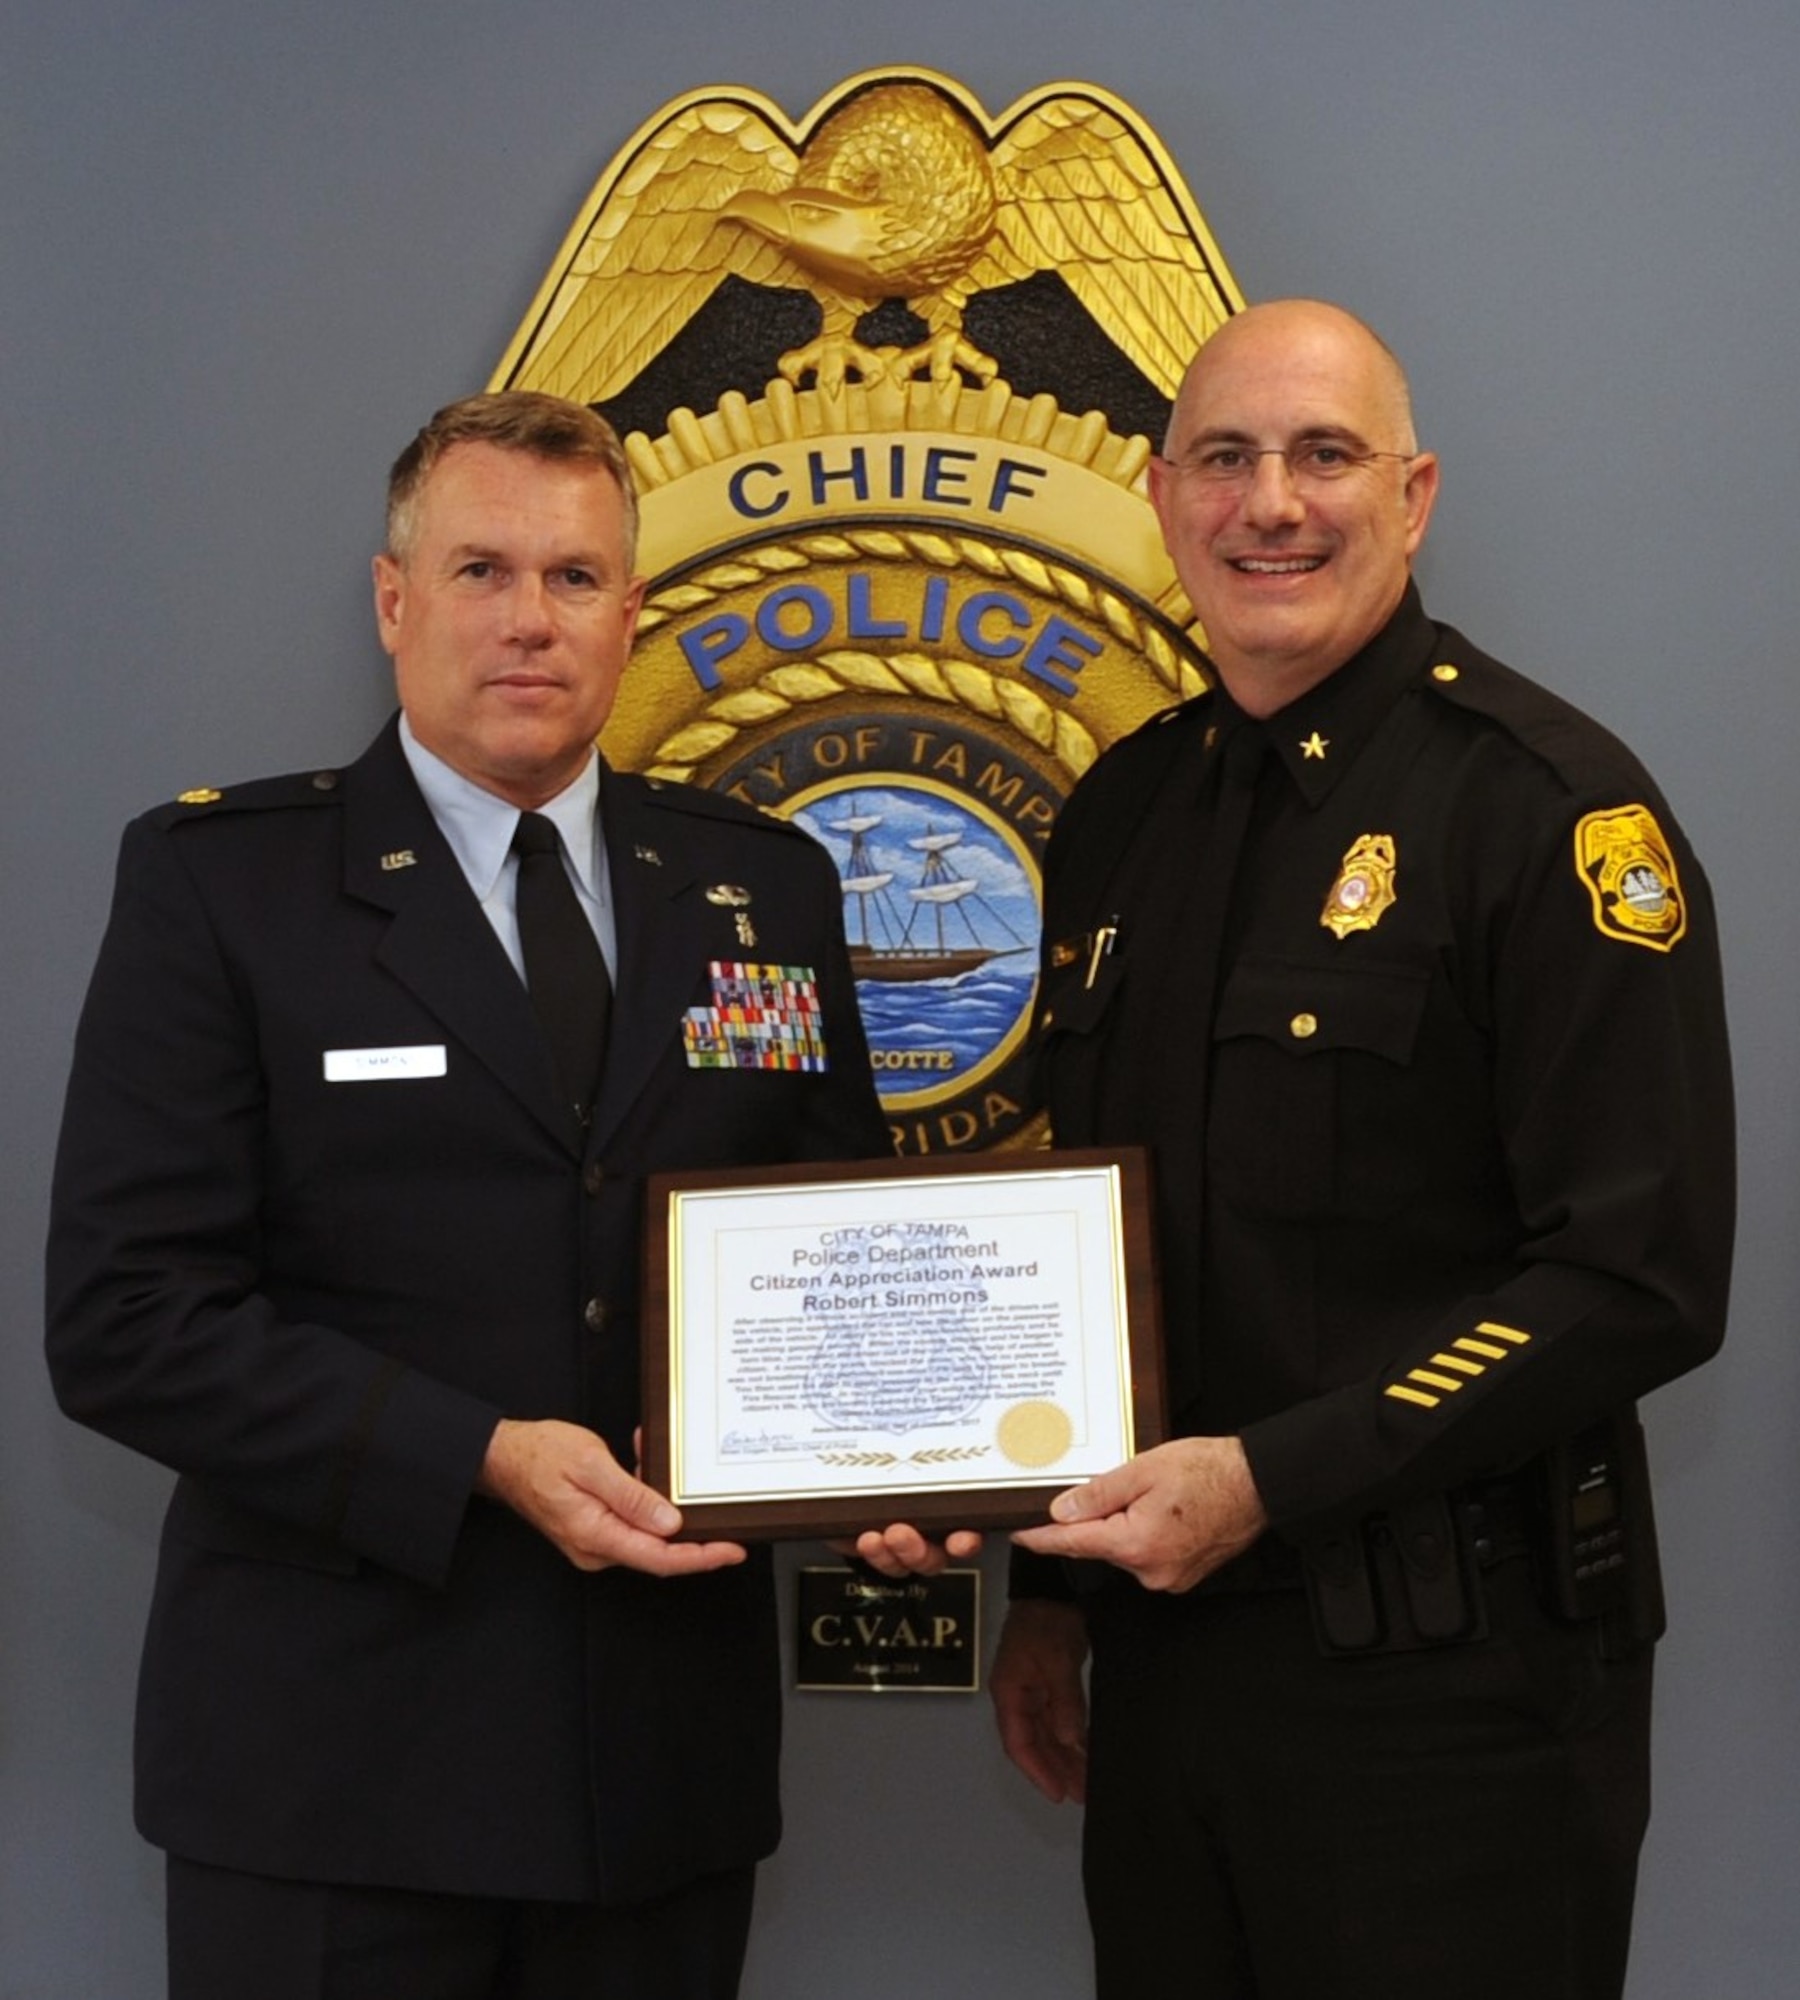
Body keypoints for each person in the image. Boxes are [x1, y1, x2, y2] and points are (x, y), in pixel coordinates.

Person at [45, 390, 897, 2000]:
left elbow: (832, 1254)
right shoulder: (224, 887)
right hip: (332, 1778)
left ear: (632, 614)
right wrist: (483, 1459)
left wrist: (895, 1468)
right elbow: (124, 1322)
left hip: (651, 1782)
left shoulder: (762, 884)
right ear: (394, 601)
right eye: (482, 570)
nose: (530, 622)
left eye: (576, 579)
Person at [988, 300, 1734, 1999]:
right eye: (1230, 460)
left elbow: (1642, 1279)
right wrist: (1051, 1598)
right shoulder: (1122, 813)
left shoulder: (1548, 812)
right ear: (1165, 497)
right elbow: (1099, 1251)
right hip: (1171, 1678)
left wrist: (1273, 1480)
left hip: (1452, 1700)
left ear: (1415, 497)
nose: (1275, 505)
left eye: (1326, 457)